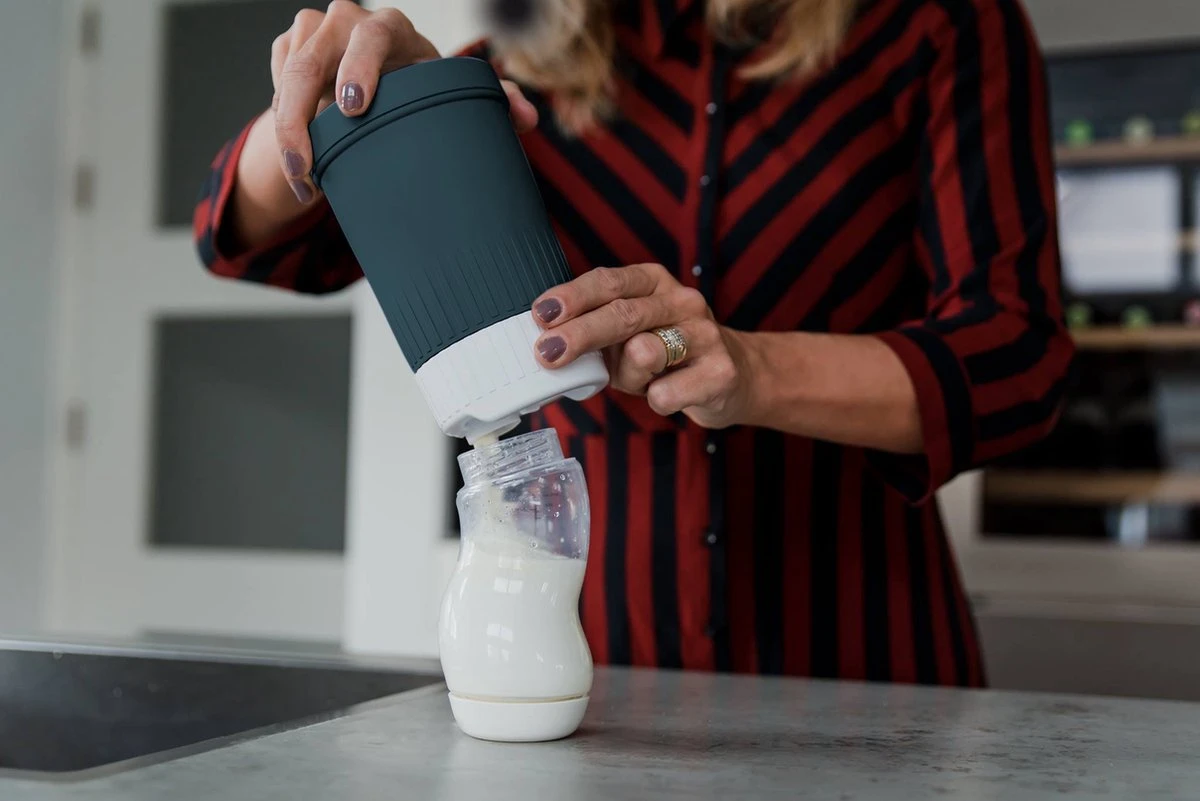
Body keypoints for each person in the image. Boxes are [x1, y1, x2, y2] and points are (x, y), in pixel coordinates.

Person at [195, 0, 1073, 684]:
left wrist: (751, 370)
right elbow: (243, 240)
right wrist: (328, 102)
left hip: (871, 666)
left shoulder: (937, 27)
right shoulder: (508, 78)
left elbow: (1018, 356)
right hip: (590, 677)